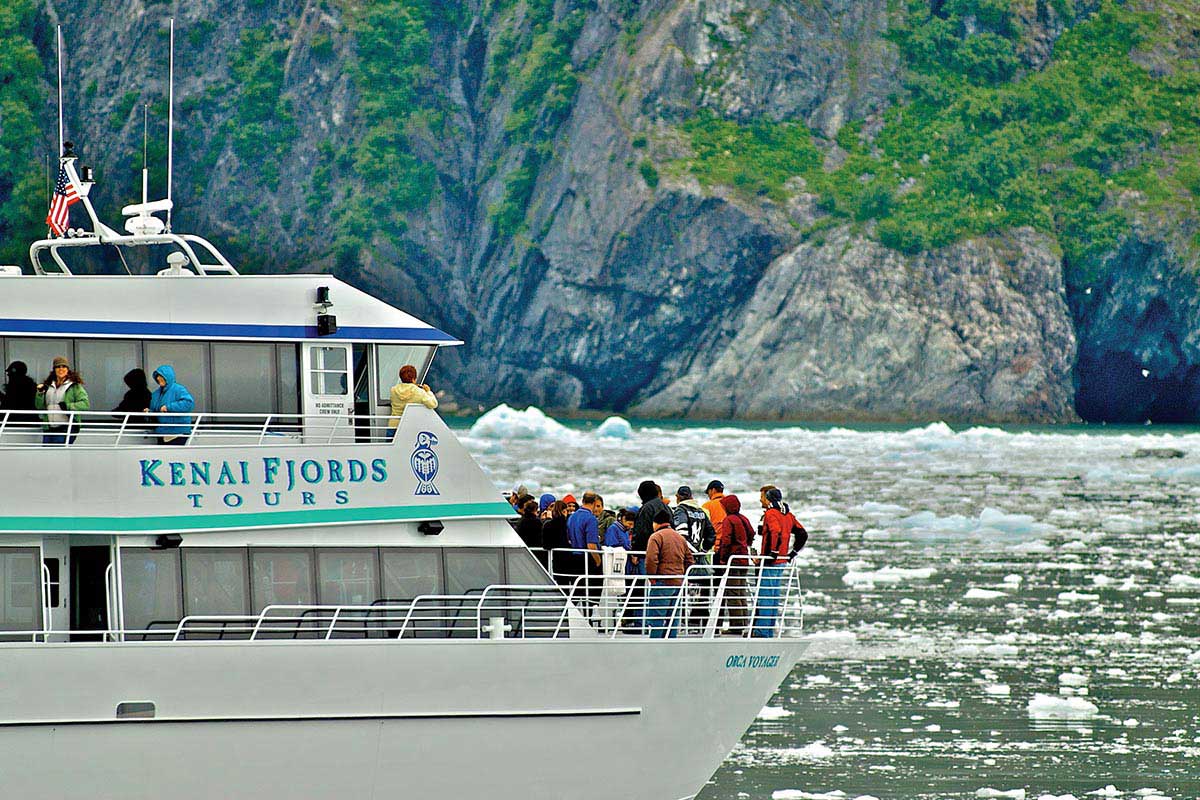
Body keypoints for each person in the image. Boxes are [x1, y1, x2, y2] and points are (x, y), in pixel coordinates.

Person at [754, 486, 800, 637]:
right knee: (774, 596)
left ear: (768, 499)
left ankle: (762, 630)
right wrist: (792, 552)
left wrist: (772, 553)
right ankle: (769, 630)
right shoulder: (788, 515)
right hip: (781, 561)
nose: (761, 500)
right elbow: (802, 533)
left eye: (763, 497)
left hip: (770, 561)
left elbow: (775, 532)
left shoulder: (771, 514)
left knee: (765, 596)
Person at [644, 509, 694, 638]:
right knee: (673, 618)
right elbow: (690, 560)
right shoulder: (680, 538)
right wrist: (682, 575)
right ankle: (671, 645)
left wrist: (652, 577)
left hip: (662, 581)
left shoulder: (656, 537)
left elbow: (651, 560)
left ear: (656, 523)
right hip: (678, 582)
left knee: (657, 618)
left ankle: (655, 646)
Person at [714, 494, 754, 636]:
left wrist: (723, 558)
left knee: (732, 592)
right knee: (740, 591)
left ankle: (735, 626)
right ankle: (743, 622)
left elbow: (726, 540)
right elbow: (752, 533)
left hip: (733, 560)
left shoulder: (729, 520)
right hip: (743, 558)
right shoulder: (743, 518)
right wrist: (745, 543)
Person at [35, 356, 89, 445]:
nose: (61, 369)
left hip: (66, 427)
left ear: (67, 369)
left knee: (58, 453)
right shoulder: (48, 386)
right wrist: (40, 393)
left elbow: (85, 404)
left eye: (63, 366)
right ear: (54, 370)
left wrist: (68, 406)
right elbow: (39, 406)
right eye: (58, 367)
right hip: (49, 428)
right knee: (47, 455)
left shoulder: (74, 387)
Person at [566, 492, 604, 604]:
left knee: (577, 592)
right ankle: (591, 619)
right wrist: (598, 560)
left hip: (574, 557)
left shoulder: (571, 517)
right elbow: (591, 545)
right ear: (593, 503)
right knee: (593, 595)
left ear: (582, 501)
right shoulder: (591, 519)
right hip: (587, 559)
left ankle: (570, 617)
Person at [146, 365, 195, 445]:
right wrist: (149, 412)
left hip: (177, 432)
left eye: (161, 376)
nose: (158, 378)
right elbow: (157, 411)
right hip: (162, 432)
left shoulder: (178, 389)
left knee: (173, 456)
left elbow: (189, 403)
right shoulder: (156, 394)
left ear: (167, 377)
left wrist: (168, 407)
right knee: (164, 456)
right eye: (157, 376)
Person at [387, 364, 437, 434]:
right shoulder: (419, 392)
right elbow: (433, 404)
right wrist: (428, 391)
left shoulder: (393, 390)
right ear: (414, 378)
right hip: (409, 426)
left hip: (393, 425)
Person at [672, 485, 716, 553]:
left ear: (678, 497)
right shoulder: (701, 511)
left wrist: (692, 552)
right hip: (698, 554)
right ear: (691, 497)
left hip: (687, 555)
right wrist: (704, 550)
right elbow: (711, 534)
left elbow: (681, 534)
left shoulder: (681, 510)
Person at [541, 500, 571, 583]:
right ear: (564, 511)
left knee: (560, 582)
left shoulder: (548, 524)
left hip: (555, 557)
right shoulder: (566, 524)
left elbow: (545, 545)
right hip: (567, 557)